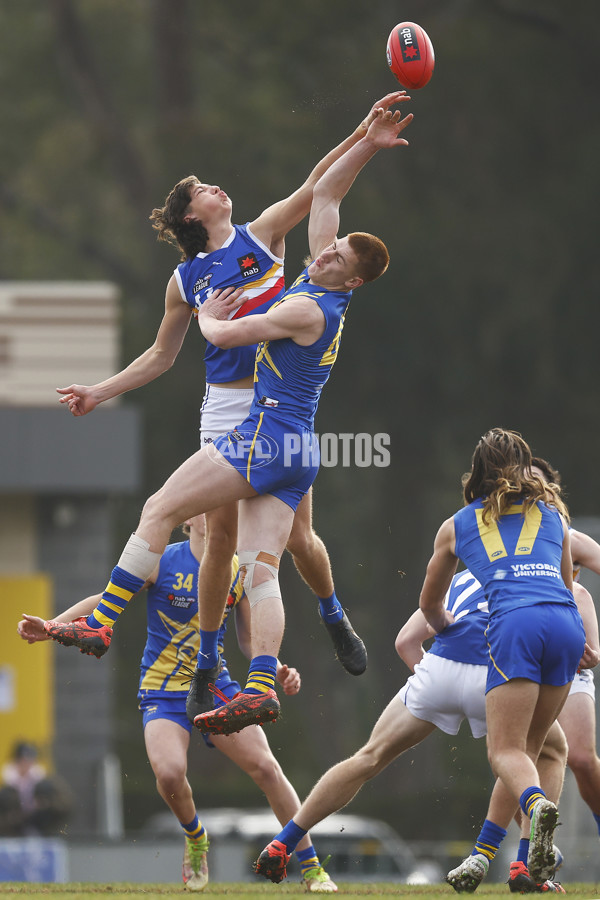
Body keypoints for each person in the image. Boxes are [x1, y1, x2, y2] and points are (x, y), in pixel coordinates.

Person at [44, 99, 415, 737]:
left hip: (271, 407)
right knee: (224, 545)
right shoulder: (186, 280)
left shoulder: (262, 237)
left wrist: (362, 134)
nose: (218, 187)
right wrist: (101, 392)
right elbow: (164, 355)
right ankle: (217, 664)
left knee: (295, 539)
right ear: (193, 215)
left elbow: (317, 191)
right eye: (202, 189)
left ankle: (331, 613)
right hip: (237, 412)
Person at [18, 516, 337, 893]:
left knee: (267, 769)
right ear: (187, 517)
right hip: (163, 692)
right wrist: (55, 625)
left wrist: (278, 669)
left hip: (216, 690)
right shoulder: (162, 561)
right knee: (169, 774)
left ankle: (314, 869)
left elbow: (251, 639)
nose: (216, 507)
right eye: (205, 501)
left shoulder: (238, 568)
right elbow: (106, 600)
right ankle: (196, 837)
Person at [251, 562, 593, 889]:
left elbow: (405, 642)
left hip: (439, 668)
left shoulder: (460, 577)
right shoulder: (538, 578)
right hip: (493, 672)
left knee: (368, 757)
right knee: (536, 752)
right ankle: (522, 865)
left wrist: (436, 686)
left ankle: (284, 843)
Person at [447, 456, 600, 893]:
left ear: (550, 488)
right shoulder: (515, 525)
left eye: (535, 482)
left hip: (558, 647)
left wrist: (594, 642)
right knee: (533, 754)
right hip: (554, 638)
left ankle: (504, 848)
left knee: (561, 757)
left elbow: (581, 590)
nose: (525, 487)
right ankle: (504, 859)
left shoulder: (558, 527)